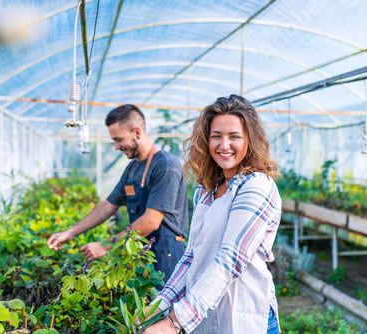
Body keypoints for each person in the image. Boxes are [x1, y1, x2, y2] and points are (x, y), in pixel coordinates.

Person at [141, 95, 282, 334]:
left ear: (251, 140)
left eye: (234, 136)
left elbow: (230, 260)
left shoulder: (257, 186)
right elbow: (191, 257)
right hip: (203, 316)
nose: (223, 145)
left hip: (244, 316)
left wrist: (175, 322)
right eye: (216, 136)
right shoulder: (206, 191)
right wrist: (158, 306)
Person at [47, 104, 189, 283]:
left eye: (119, 139)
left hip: (166, 254)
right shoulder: (132, 168)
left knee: (163, 310)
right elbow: (108, 205)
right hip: (140, 253)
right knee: (143, 308)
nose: (116, 146)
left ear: (137, 132)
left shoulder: (166, 165)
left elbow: (151, 221)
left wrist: (106, 246)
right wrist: (70, 232)